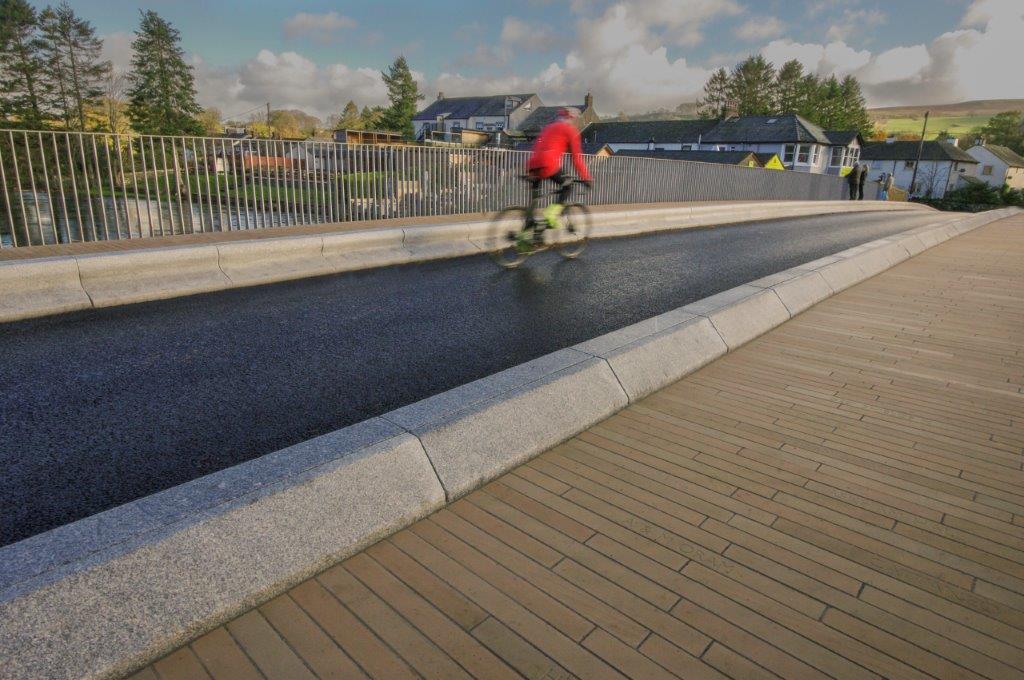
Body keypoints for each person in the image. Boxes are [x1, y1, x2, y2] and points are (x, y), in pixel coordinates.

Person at [526, 108, 592, 240]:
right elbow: (577, 159)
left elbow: (538, 146)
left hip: (532, 164)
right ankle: (550, 215)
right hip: (548, 164)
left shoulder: (548, 127)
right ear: (573, 119)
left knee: (535, 197)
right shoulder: (570, 131)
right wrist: (586, 178)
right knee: (567, 186)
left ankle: (530, 225)